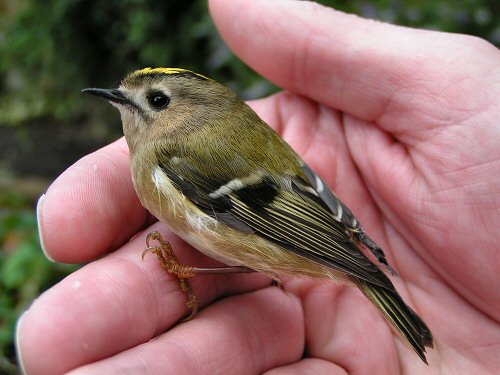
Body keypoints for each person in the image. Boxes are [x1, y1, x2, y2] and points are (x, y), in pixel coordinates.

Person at [16, 0, 500, 373]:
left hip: (294, 227)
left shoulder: (175, 155)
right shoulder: (186, 142)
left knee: (242, 256)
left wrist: (185, 269)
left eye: (156, 101)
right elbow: (302, 185)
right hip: (317, 209)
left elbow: (264, 224)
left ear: (186, 112)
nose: (132, 106)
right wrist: (356, 242)